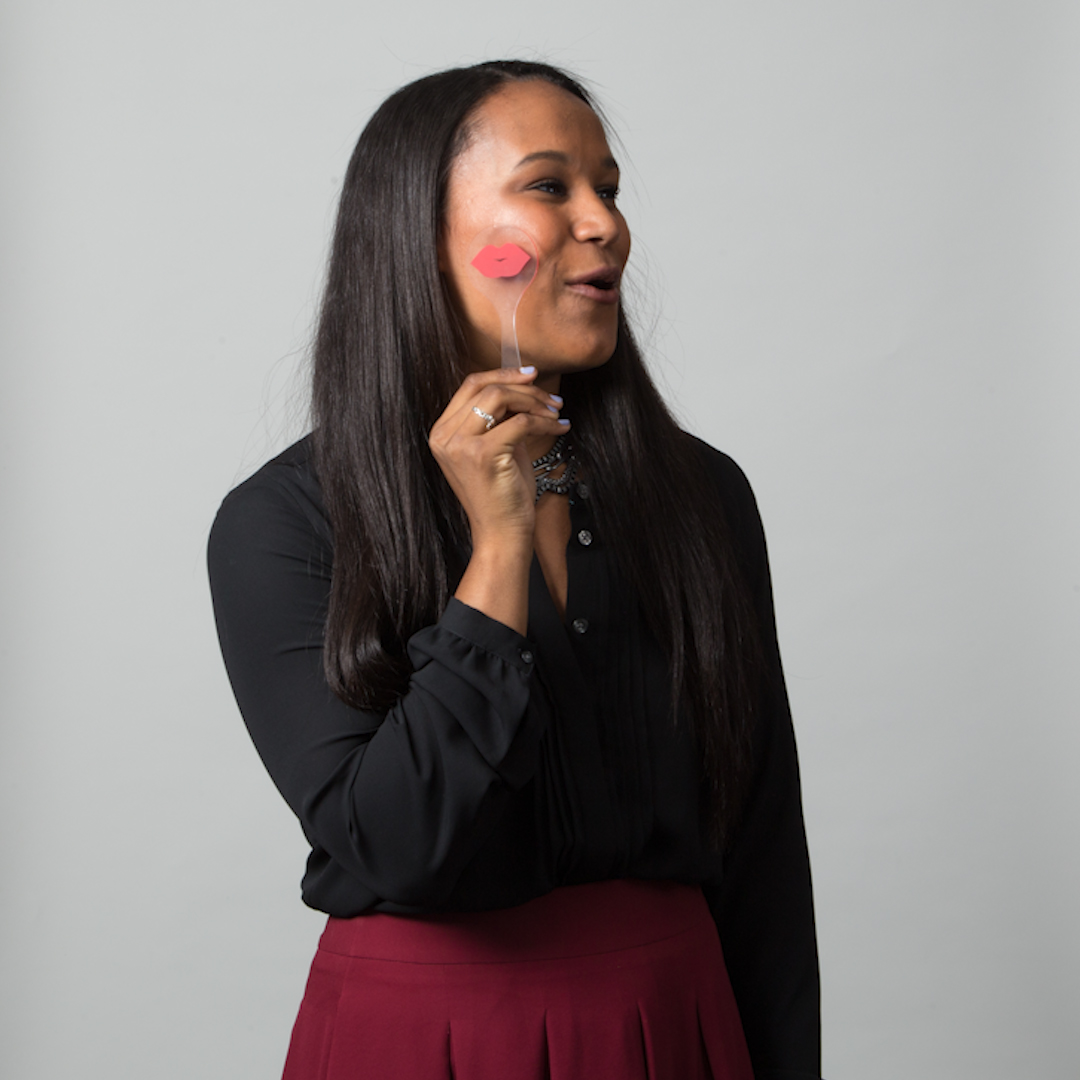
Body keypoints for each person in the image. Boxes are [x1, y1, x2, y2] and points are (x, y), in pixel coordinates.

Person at [208, 59, 821, 1080]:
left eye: (609, 190)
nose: (605, 224)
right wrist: (497, 552)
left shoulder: (702, 496)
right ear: (418, 234)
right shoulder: (285, 522)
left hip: (672, 1028)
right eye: (549, 186)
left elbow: (762, 859)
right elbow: (399, 845)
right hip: (417, 1044)